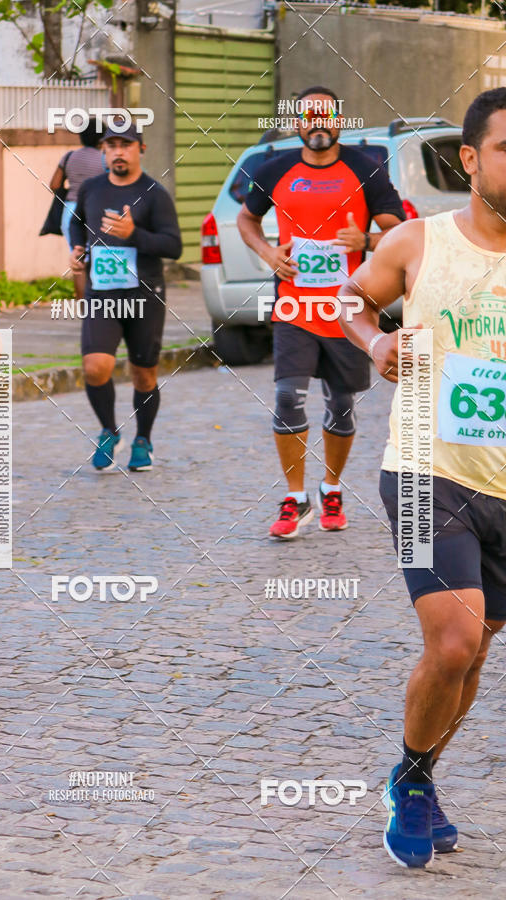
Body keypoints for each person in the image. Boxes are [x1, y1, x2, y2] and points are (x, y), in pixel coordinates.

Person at [339, 88, 506, 868]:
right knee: (454, 640)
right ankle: (410, 786)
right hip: (423, 471)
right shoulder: (417, 241)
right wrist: (375, 342)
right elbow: (351, 300)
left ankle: (417, 774)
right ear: (470, 158)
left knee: (472, 654)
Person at [237, 86, 405, 539]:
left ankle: (331, 489)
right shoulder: (274, 170)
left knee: (341, 405)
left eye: (325, 116)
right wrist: (267, 252)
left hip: (348, 308)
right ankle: (295, 499)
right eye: (309, 117)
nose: (317, 124)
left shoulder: (366, 171)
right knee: (287, 397)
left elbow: (398, 232)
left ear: (338, 122)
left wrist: (366, 241)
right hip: (293, 306)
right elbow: (246, 219)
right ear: (297, 123)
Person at [70, 121, 182, 473]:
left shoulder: (154, 194)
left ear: (140, 150)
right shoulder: (91, 189)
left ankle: (143, 439)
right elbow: (76, 223)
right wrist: (77, 248)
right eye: (112, 145)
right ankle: (109, 430)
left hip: (145, 295)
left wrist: (134, 234)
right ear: (103, 150)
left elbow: (174, 246)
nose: (118, 152)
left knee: (143, 375)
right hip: (102, 292)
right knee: (95, 367)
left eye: (126, 145)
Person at [49, 117, 105, 301]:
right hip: (95, 211)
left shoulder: (69, 157)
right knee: (99, 258)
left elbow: (54, 184)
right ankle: (100, 304)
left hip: (71, 212)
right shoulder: (105, 159)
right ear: (102, 138)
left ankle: (84, 307)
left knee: (78, 260)